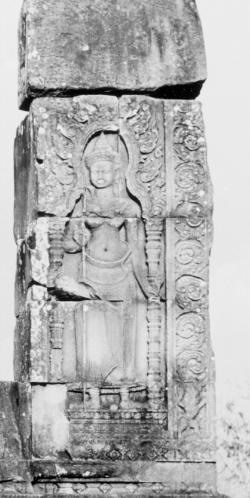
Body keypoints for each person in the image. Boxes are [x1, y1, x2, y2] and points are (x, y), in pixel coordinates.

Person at [55, 132, 149, 385]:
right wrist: (77, 239)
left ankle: (125, 375)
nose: (99, 175)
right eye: (95, 170)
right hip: (91, 272)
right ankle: (101, 373)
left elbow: (137, 245)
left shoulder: (128, 205)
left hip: (121, 271)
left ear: (117, 172)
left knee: (123, 324)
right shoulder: (83, 203)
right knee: (91, 315)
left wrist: (147, 282)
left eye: (105, 170)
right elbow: (68, 243)